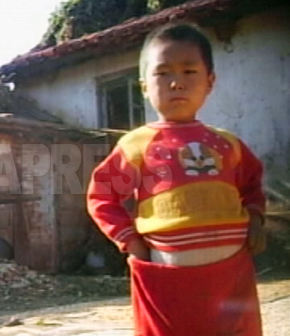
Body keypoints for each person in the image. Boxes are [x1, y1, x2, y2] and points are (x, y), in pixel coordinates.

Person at [87, 23, 267, 336]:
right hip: (166, 274)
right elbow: (101, 195)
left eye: (189, 71)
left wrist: (255, 219)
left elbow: (252, 185)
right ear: (144, 86)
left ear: (210, 82)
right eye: (163, 73)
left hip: (231, 272)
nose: (176, 83)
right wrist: (131, 242)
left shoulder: (229, 144)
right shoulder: (135, 145)